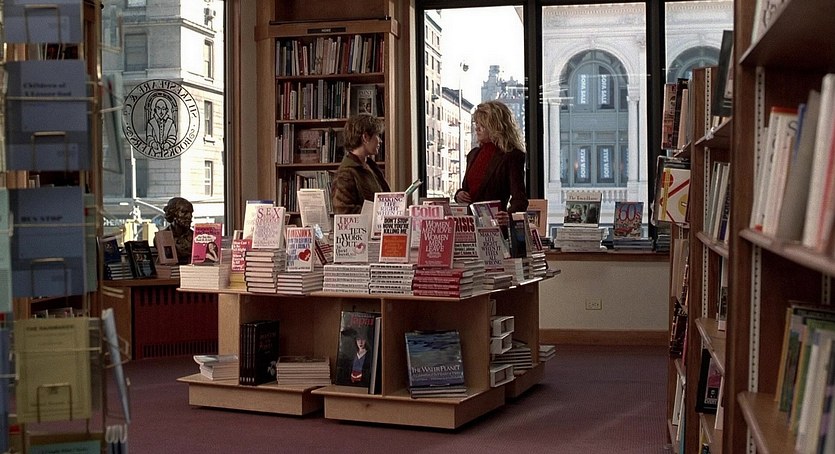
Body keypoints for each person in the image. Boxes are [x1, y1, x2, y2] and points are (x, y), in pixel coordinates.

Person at [454, 100, 528, 226]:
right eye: (476, 123)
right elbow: (468, 189)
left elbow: (520, 199)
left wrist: (509, 217)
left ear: (496, 126)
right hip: (469, 225)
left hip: (495, 226)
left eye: (482, 124)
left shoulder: (512, 155)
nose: (477, 128)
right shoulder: (473, 154)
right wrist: (459, 194)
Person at [331, 114, 390, 214]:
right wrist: (379, 212)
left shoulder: (371, 166)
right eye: (377, 135)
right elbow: (343, 212)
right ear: (365, 137)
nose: (380, 141)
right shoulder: (346, 174)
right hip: (367, 224)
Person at [162, 197, 194, 264]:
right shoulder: (162, 237)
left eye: (190, 213)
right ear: (173, 214)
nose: (189, 216)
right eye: (184, 212)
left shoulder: (195, 237)